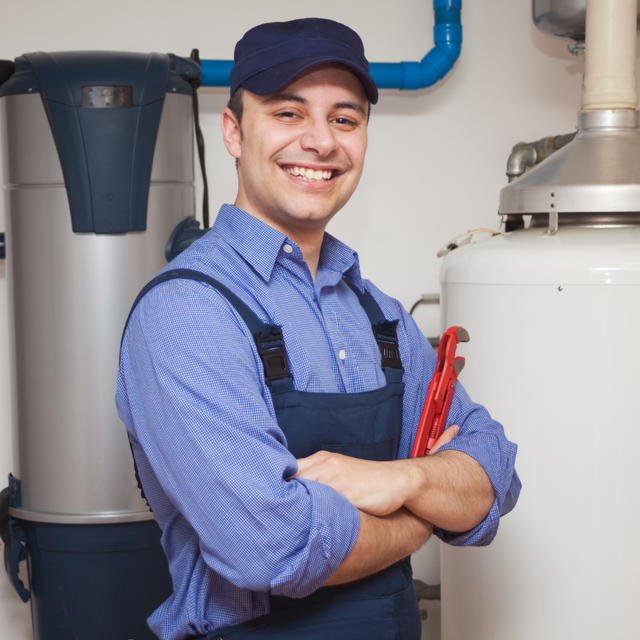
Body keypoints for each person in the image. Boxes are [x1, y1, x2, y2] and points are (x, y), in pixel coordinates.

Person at [117, 17, 521, 640]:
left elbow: (493, 475)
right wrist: (423, 515)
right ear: (233, 130)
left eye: (344, 118)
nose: (321, 142)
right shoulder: (189, 313)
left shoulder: (379, 314)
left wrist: (398, 478)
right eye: (287, 113)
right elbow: (272, 548)